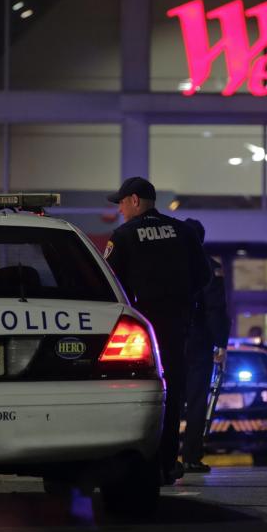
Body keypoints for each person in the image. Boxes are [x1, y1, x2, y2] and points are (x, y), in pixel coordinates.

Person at [104, 177, 211, 485]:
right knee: (173, 394)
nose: (120, 210)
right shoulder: (183, 232)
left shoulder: (123, 236)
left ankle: (140, 463)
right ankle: (167, 463)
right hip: (177, 328)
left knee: (138, 393)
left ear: (135, 200)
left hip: (139, 333)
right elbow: (204, 277)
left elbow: (111, 284)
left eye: (122, 203)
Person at [180, 218, 231, 474]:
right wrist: (221, 343)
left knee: (170, 398)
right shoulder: (211, 268)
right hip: (199, 340)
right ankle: (190, 456)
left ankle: (162, 457)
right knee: (197, 399)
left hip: (171, 338)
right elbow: (215, 309)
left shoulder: (168, 266)